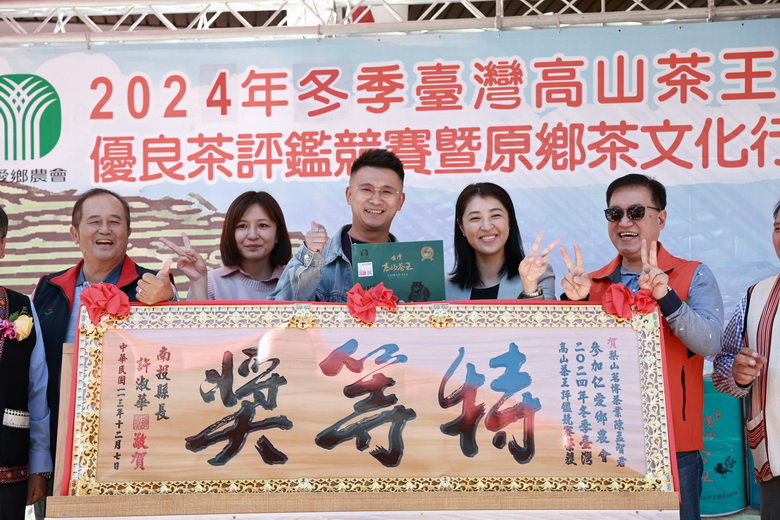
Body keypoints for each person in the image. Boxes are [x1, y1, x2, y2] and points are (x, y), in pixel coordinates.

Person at [559, 173, 723, 520]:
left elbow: (710, 343)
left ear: (661, 218)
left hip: (675, 446)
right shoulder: (591, 284)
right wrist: (572, 303)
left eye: (635, 212)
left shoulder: (693, 275)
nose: (624, 222)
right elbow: (564, 361)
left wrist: (666, 297)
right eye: (614, 214)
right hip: (606, 443)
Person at [32, 188, 174, 494]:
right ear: (74, 233)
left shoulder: (152, 286)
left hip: (128, 439)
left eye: (115, 222)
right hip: (59, 440)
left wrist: (170, 300)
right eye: (94, 221)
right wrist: (38, 458)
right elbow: (35, 375)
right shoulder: (48, 287)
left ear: (128, 232)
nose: (105, 230)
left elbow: (174, 356)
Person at [713, 199, 780, 520]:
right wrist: (737, 375)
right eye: (779, 228)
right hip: (776, 457)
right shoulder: (756, 296)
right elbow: (723, 368)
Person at [270, 148, 405, 302]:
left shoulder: (411, 265)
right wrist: (310, 258)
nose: (376, 200)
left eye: (387, 192)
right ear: (349, 195)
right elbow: (278, 310)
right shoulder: (316, 256)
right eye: (366, 189)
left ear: (400, 201)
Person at [0, 206, 52, 520]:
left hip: (8, 470)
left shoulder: (20, 308)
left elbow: (37, 390)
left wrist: (39, 466)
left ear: (2, 246)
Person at [161, 191, 292, 300]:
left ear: (278, 234)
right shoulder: (210, 283)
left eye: (263, 225)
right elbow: (197, 325)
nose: (252, 235)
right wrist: (199, 283)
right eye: (242, 226)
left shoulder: (295, 283)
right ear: (230, 234)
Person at [446, 182, 557, 300]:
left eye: (495, 215)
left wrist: (530, 288)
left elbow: (545, 312)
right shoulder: (444, 288)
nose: (487, 227)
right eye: (475, 218)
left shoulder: (538, 274)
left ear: (509, 220)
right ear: (461, 227)